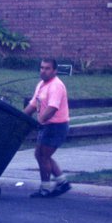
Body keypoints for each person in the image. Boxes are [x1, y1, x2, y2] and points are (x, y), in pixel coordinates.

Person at [23, 58, 72, 198]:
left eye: (47, 68)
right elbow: (33, 104)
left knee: (42, 156)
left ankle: (45, 189)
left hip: (56, 126)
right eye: (42, 68)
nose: (43, 71)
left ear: (55, 71)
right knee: (42, 155)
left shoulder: (56, 85)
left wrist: (40, 120)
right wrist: (21, 117)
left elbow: (53, 107)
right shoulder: (41, 85)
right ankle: (62, 182)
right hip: (47, 126)